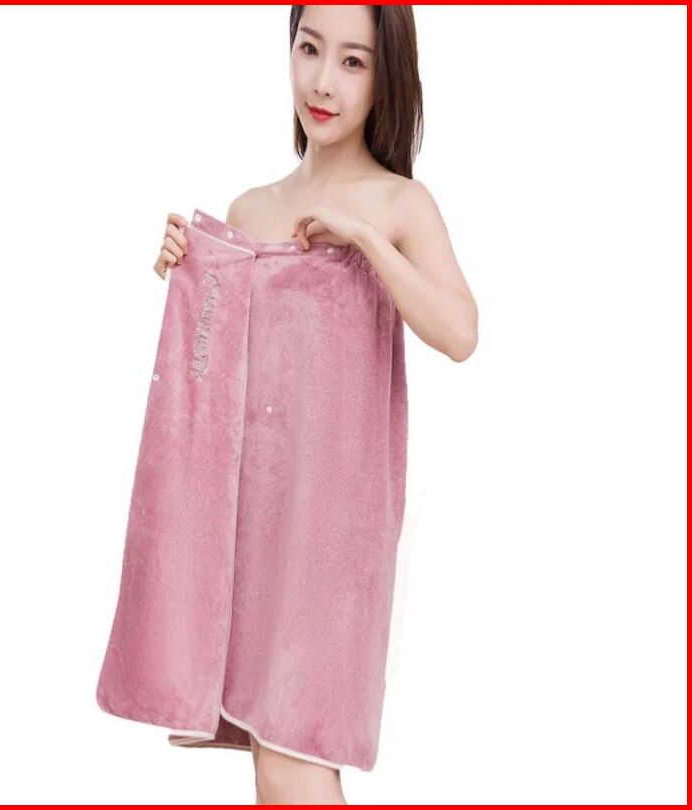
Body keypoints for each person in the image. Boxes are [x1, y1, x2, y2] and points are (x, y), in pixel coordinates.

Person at [152, 5, 478, 804]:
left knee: (294, 753)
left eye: (353, 61)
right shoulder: (251, 208)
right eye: (309, 49)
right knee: (271, 757)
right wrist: (187, 271)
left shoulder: (400, 203)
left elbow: (461, 332)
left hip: (335, 532)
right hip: (252, 520)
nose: (323, 82)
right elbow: (219, 373)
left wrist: (363, 239)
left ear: (386, 77)